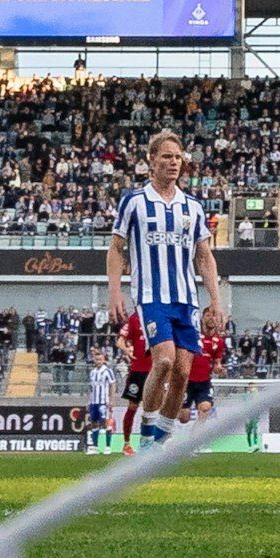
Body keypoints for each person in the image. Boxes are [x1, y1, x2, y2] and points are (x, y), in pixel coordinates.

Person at [108, 130, 224, 448]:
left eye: (177, 157)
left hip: (186, 299)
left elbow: (204, 256)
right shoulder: (134, 201)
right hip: (151, 296)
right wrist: (115, 292)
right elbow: (116, 249)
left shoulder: (193, 207)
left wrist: (216, 300)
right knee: (164, 361)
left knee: (183, 373)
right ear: (152, 161)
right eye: (166, 156)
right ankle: (146, 434)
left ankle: (160, 440)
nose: (173, 162)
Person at [180, 312, 227, 426]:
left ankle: (194, 439)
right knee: (183, 417)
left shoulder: (219, 341)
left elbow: (216, 364)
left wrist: (220, 370)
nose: (211, 318)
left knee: (205, 408)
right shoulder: (193, 336)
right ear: (202, 318)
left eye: (214, 316)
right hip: (187, 381)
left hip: (204, 382)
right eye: (208, 316)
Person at [115, 310, 152, 454]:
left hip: (155, 370)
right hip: (138, 371)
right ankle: (126, 443)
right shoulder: (134, 319)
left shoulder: (157, 314)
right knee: (132, 407)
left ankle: (149, 441)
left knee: (154, 408)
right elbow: (120, 341)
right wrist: (126, 350)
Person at [86, 347, 117, 455]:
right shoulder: (93, 372)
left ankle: (108, 447)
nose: (98, 361)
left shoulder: (108, 371)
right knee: (94, 423)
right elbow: (92, 388)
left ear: (104, 360)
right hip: (94, 401)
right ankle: (95, 447)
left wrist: (112, 400)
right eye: (96, 359)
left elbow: (112, 385)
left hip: (104, 401)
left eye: (100, 359)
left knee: (105, 422)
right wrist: (89, 401)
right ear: (94, 360)